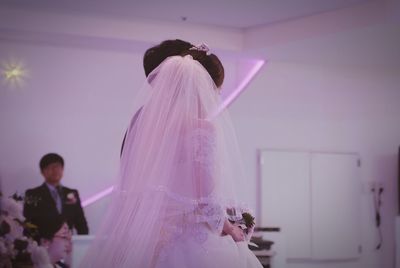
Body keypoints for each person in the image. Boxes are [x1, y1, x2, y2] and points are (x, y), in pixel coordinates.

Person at [80, 39, 262, 267]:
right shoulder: (201, 129)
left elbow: (134, 180)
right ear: (201, 86)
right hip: (192, 243)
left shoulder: (141, 121)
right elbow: (206, 201)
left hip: (146, 240)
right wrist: (230, 228)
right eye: (214, 89)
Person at [23, 153, 89, 241]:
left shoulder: (72, 193)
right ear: (42, 172)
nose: (55, 170)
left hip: (68, 247)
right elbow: (29, 224)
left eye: (58, 166)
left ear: (62, 169)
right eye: (50, 167)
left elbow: (81, 223)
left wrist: (83, 245)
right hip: (43, 248)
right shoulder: (32, 194)